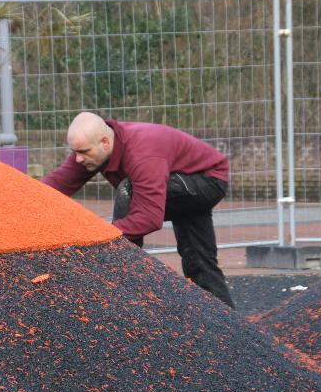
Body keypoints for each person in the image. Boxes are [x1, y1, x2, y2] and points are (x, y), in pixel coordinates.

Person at [42, 112, 235, 308]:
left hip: (208, 180)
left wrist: (103, 236)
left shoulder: (142, 153)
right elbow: (56, 183)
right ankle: (227, 323)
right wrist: (17, 197)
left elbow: (149, 216)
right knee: (199, 260)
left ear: (104, 142)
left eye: (83, 152)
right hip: (182, 178)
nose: (78, 160)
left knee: (129, 190)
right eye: (75, 152)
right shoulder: (94, 149)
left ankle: (118, 279)